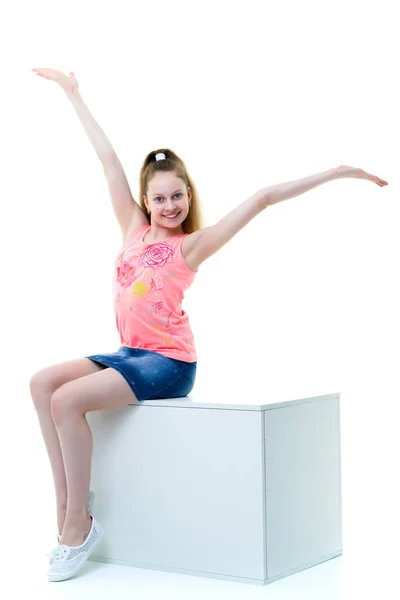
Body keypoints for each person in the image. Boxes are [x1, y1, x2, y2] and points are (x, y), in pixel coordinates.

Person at [29, 67, 389, 582]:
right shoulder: (133, 229)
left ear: (188, 197)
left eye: (178, 196)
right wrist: (72, 92)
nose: (169, 206)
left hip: (170, 363)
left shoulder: (190, 246)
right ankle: (70, 512)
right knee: (42, 382)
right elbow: (107, 160)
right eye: (159, 198)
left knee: (67, 399)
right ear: (146, 201)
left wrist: (335, 172)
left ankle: (74, 524)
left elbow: (262, 198)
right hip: (130, 354)